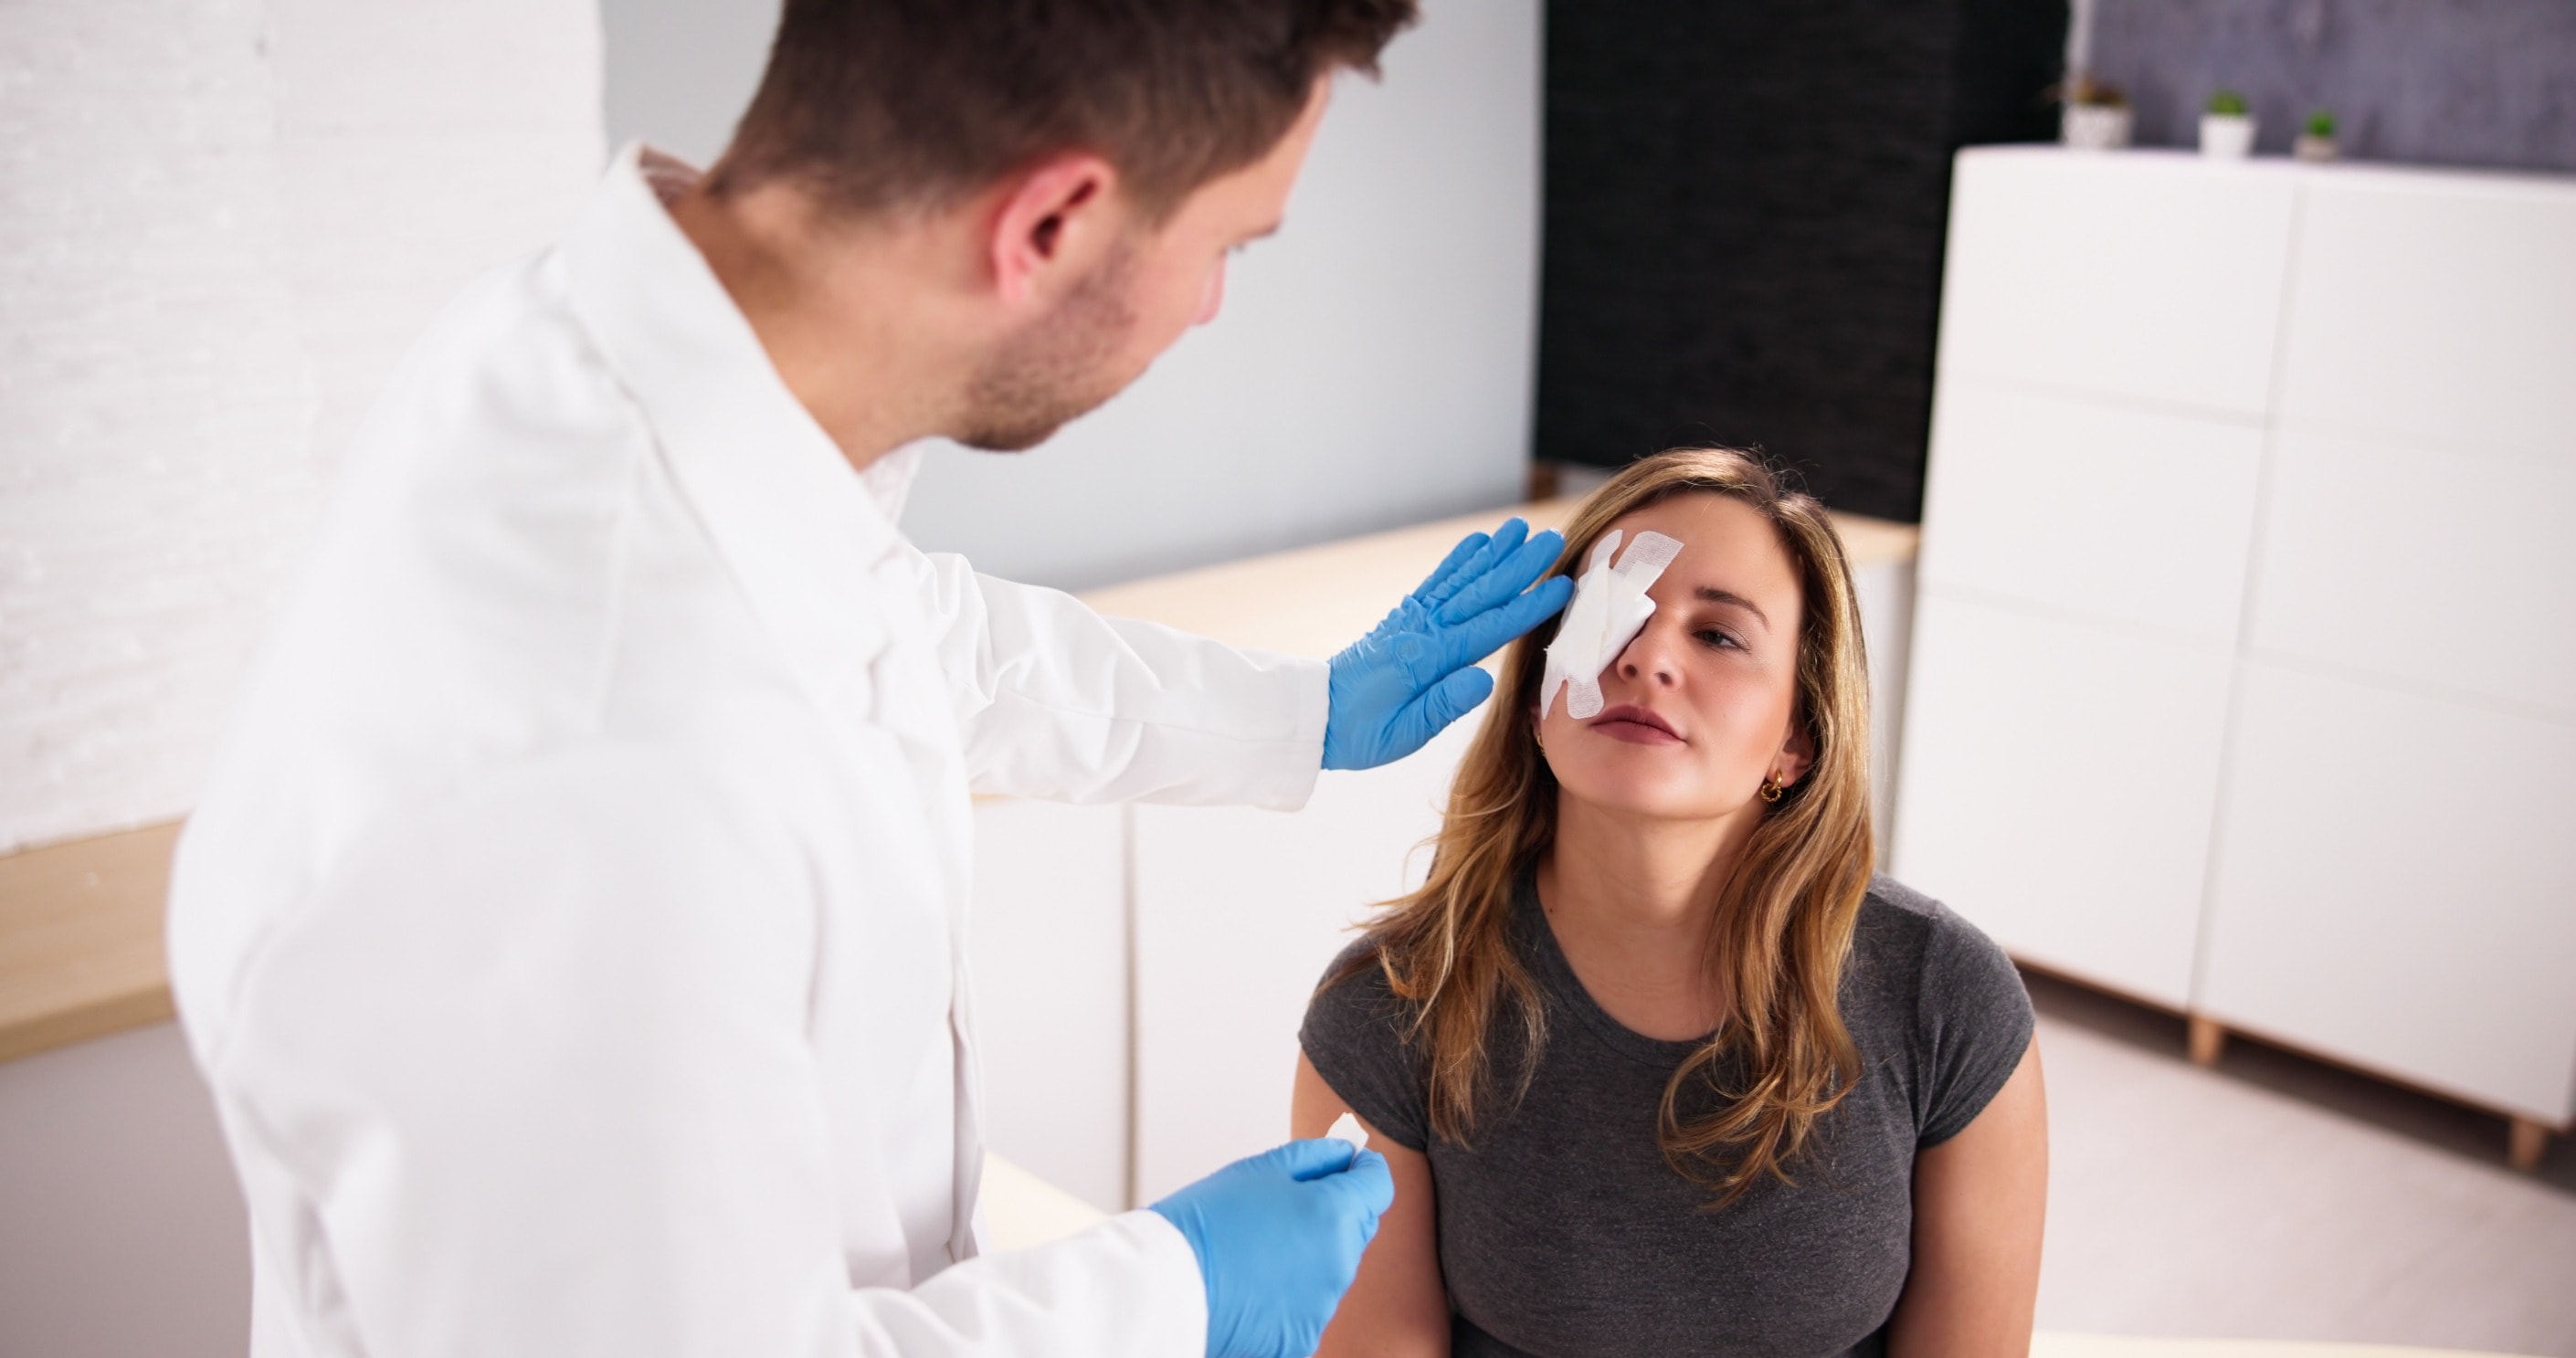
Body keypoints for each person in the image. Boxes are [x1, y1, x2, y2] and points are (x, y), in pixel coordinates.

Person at [164, 4, 1574, 1357]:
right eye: (1229, 247)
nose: (1208, 308)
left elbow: (906, 634)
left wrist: (1296, 712)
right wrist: (1169, 1292)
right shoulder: (597, 773)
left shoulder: (624, 377)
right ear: (1050, 224)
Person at [1293, 447, 2048, 1358]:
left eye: (1719, 635)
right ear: (1541, 692)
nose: (1647, 656)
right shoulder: (1390, 1008)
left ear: (1796, 739)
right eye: (1612, 614)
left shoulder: (1946, 999)